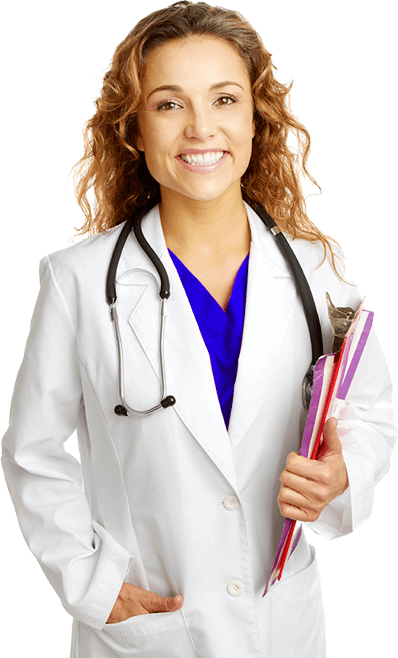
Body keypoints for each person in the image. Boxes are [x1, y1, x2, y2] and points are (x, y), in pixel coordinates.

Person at [2, 2, 395, 657]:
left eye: (223, 99)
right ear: (134, 130)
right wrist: (94, 587)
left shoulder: (317, 271)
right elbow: (32, 453)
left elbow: (368, 410)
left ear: (254, 118)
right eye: (169, 105)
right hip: (149, 630)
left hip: (282, 628)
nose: (200, 129)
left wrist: (343, 473)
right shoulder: (76, 281)